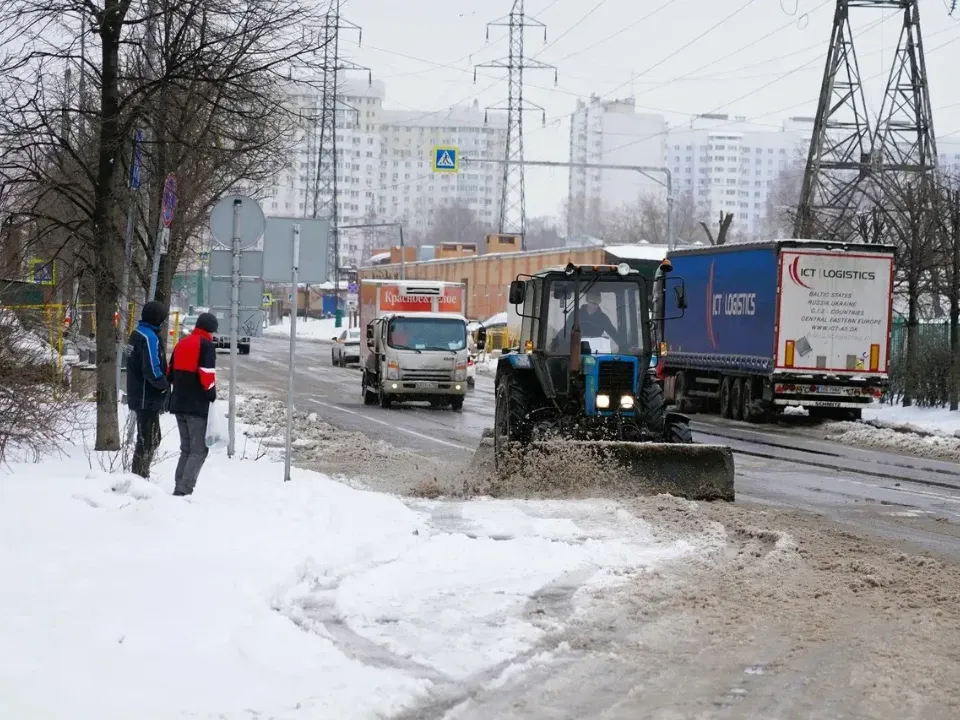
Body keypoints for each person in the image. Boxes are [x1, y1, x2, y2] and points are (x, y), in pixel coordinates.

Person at [167, 312, 218, 496]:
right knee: (198, 450)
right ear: (212, 329)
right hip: (196, 406)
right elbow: (207, 376)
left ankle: (178, 485)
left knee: (186, 449)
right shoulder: (206, 346)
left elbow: (169, 373)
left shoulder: (182, 343)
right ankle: (184, 489)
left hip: (178, 403)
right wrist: (211, 396)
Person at [126, 300, 170, 479]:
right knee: (149, 440)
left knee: (149, 438)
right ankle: (139, 477)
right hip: (147, 396)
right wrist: (164, 385)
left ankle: (140, 474)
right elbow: (152, 369)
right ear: (157, 318)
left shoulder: (136, 333)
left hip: (138, 394)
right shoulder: (148, 337)